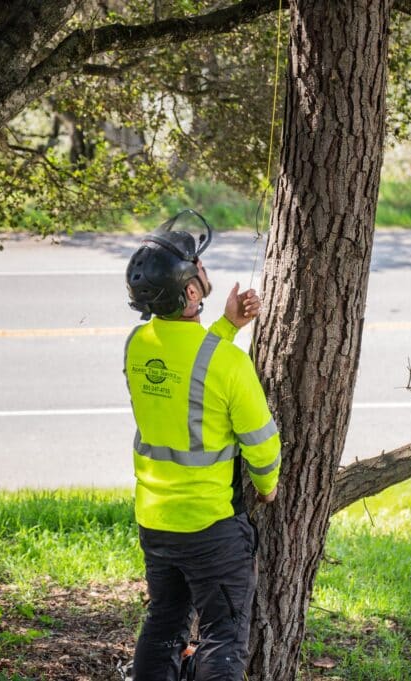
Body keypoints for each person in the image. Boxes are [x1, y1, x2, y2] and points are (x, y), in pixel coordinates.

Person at [123, 211, 281, 681]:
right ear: (191, 293)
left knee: (164, 625)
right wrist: (267, 486)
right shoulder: (229, 364)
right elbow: (262, 443)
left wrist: (228, 325)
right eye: (198, 267)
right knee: (222, 636)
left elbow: (187, 370)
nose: (203, 270)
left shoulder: (137, 345)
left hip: (156, 521)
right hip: (210, 528)